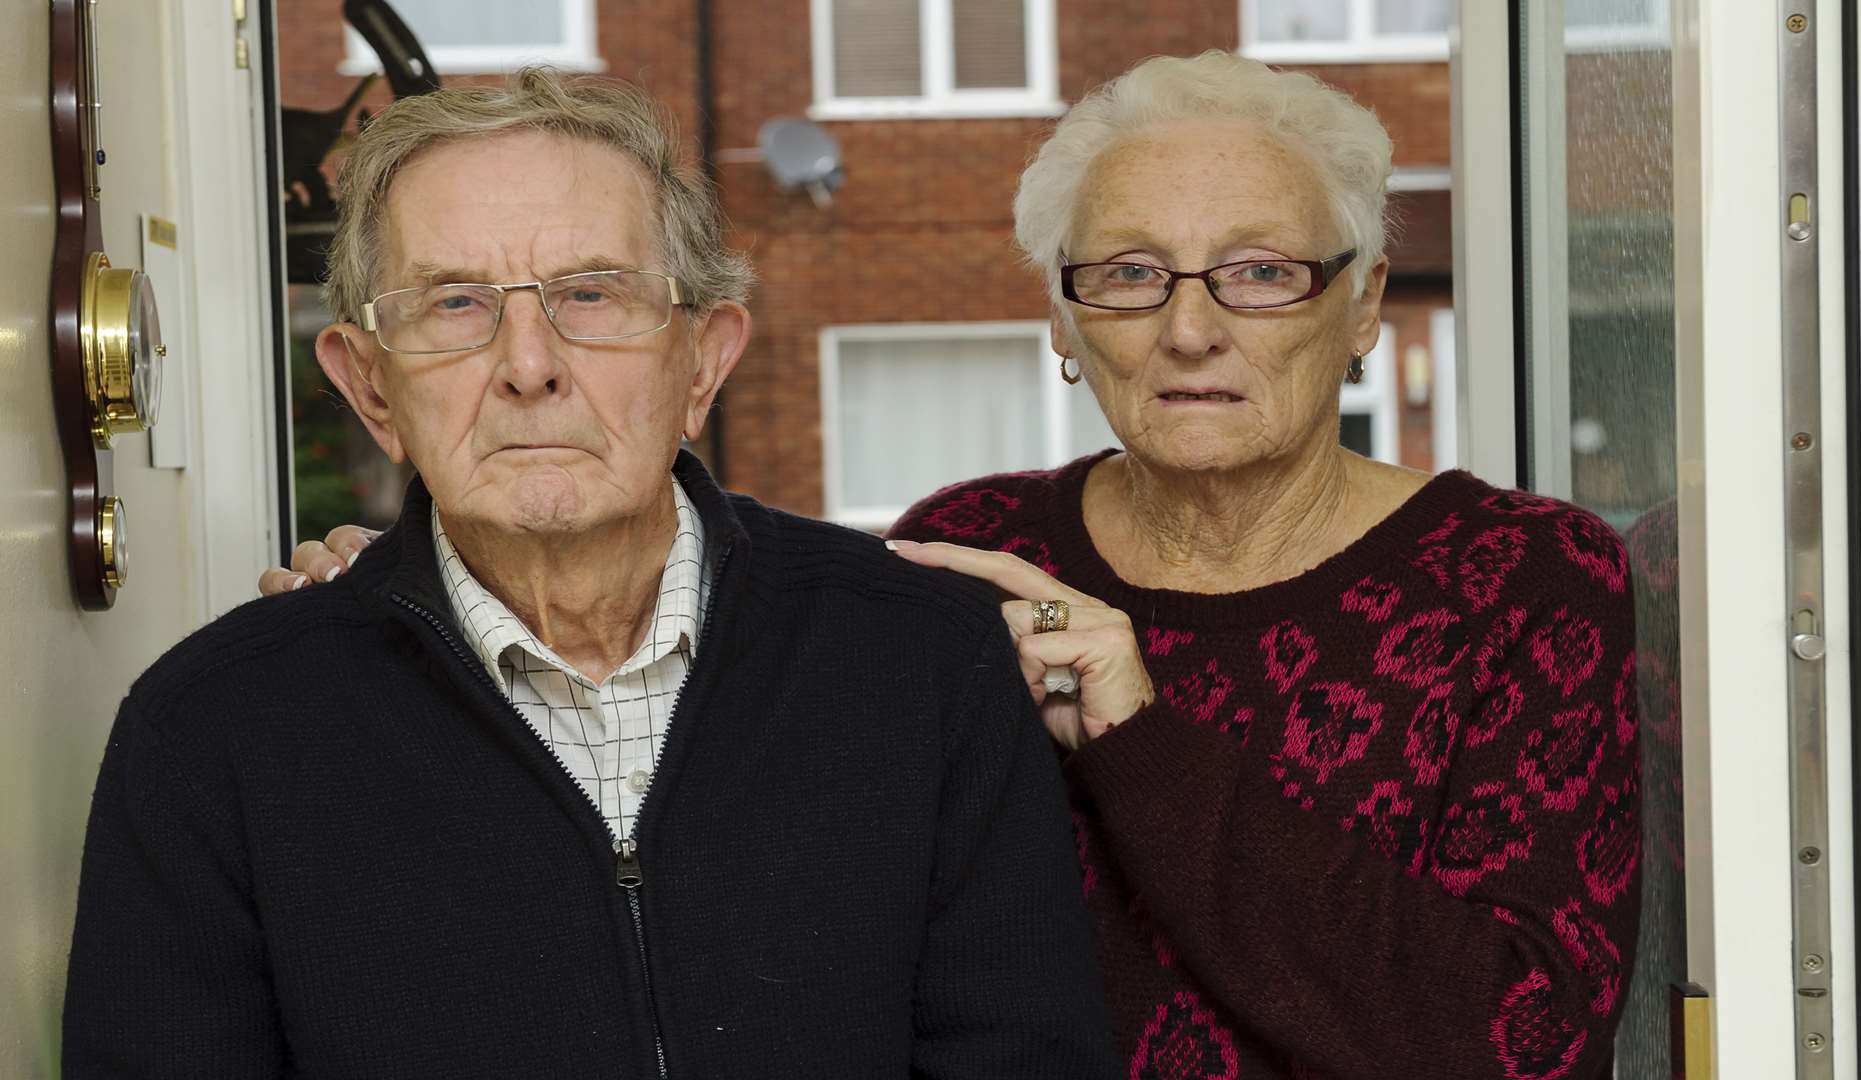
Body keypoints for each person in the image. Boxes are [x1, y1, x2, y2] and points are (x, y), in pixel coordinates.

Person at [273, 52, 1641, 1079]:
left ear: (1362, 308)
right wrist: (421, 618)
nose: (1190, 330)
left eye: (1263, 273)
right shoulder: (973, 552)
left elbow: (1520, 1037)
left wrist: (1136, 739)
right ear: (1063, 322)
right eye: (1126, 275)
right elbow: (684, 740)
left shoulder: (1526, 579)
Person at [64, 69, 1116, 1079]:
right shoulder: (211, 730)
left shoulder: (925, 662)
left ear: (702, 361)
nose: (529, 364)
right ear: (372, 390)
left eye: (592, 293)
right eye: (456, 305)